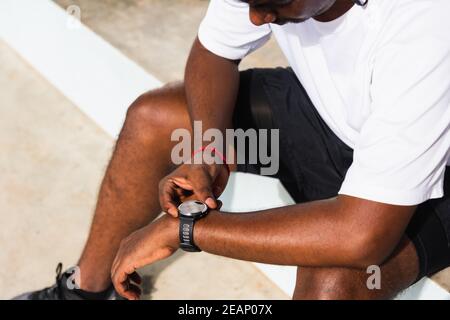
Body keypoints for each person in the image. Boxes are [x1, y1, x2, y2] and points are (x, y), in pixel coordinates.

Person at [16, 0, 450, 300]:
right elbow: (213, 53)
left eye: (275, 4)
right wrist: (207, 151)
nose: (258, 17)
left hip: (434, 183)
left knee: (331, 284)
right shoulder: (265, 2)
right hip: (332, 122)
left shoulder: (424, 23)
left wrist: (185, 231)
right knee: (154, 118)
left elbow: (361, 235)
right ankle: (87, 289)